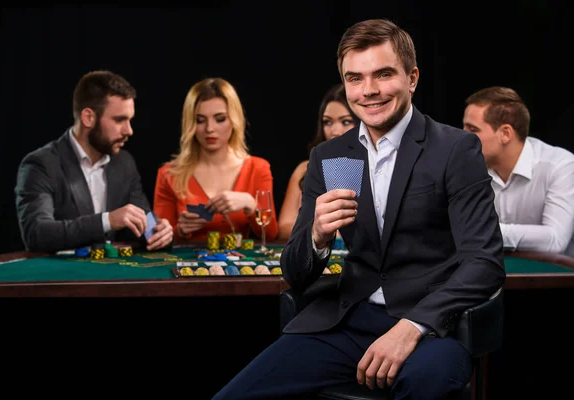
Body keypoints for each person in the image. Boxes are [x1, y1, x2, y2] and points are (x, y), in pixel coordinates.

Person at [213, 19, 505, 400]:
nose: (369, 91)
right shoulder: (330, 155)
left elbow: (483, 262)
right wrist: (317, 236)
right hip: (349, 320)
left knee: (425, 383)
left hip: (433, 325)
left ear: (412, 78)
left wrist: (411, 327)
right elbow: (294, 272)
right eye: (355, 78)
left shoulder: (454, 149)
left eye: (383, 74)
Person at [15, 70, 173, 253]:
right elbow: (37, 234)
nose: (129, 130)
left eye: (130, 120)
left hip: (112, 275)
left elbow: (145, 223)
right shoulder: (40, 164)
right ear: (88, 117)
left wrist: (160, 232)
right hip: (62, 277)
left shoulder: (124, 163)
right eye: (119, 120)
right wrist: (108, 220)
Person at [153, 77, 278, 242]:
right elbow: (157, 239)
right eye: (200, 120)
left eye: (220, 119)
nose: (209, 129)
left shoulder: (258, 168)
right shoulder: (168, 174)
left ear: (235, 120)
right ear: (190, 124)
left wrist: (250, 204)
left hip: (235, 265)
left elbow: (270, 235)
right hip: (183, 266)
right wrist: (180, 231)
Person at [463, 86, 574, 255]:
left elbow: (555, 240)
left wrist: (485, 231)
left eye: (472, 129)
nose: (462, 137)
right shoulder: (467, 168)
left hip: (554, 278)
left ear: (505, 134)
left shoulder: (560, 166)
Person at [277, 83, 359, 240]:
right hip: (315, 254)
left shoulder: (376, 166)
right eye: (328, 122)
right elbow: (284, 227)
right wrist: (319, 230)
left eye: (346, 122)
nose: (335, 131)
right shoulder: (304, 169)